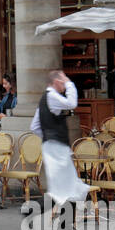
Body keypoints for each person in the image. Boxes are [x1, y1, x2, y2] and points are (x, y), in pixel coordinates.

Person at [31, 69, 94, 211]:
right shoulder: (52, 96)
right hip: (57, 146)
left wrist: (48, 138)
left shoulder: (44, 99)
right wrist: (70, 84)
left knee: (64, 186)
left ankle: (40, 213)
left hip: (51, 145)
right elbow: (72, 103)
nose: (64, 86)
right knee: (67, 186)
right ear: (57, 82)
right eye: (63, 82)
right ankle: (34, 210)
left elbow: (34, 126)